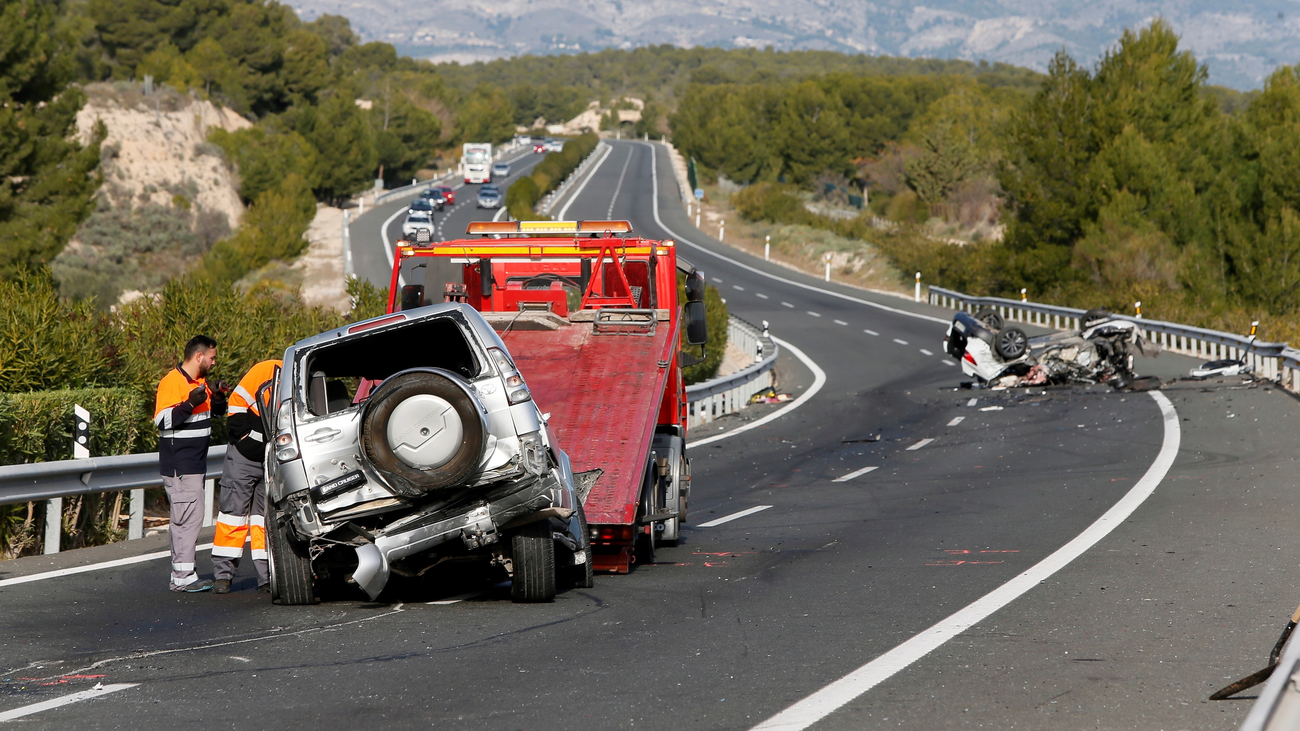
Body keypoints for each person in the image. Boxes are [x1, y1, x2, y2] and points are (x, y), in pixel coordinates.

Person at [154, 335, 226, 593]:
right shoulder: (172, 382)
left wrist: (216, 397)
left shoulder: (200, 383)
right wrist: (190, 403)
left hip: (192, 464)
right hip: (181, 466)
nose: (214, 361)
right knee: (189, 519)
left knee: (185, 518)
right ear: (199, 357)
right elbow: (163, 421)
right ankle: (184, 576)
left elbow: (213, 414)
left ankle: (180, 574)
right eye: (212, 357)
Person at [212, 359, 281, 594]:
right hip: (244, 457)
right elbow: (237, 404)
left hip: (272, 460)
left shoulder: (299, 378)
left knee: (264, 520)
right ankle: (223, 575)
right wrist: (246, 439)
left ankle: (266, 576)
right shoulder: (266, 370)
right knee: (233, 514)